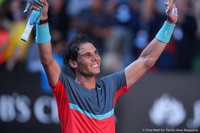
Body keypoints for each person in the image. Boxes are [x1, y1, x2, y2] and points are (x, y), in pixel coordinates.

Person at [30, 0, 178, 132]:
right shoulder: (65, 88)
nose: (95, 58)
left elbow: (146, 60)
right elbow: (47, 60)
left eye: (95, 52)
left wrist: (169, 24)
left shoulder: (110, 85)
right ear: (73, 63)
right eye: (87, 55)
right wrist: (43, 20)